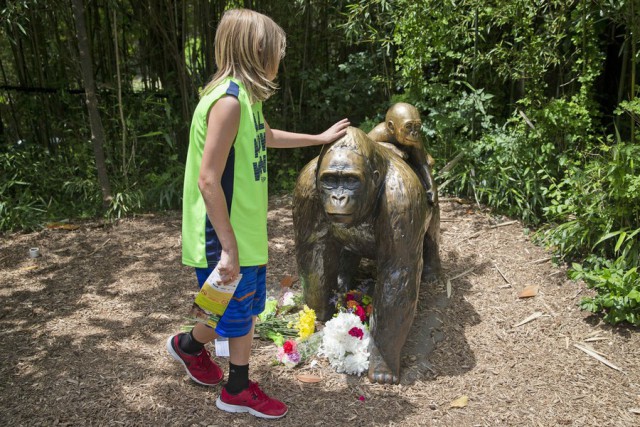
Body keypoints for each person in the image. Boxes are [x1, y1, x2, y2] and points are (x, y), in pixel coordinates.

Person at [165, 8, 349, 420]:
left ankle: (189, 347)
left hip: (242, 230)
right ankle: (237, 389)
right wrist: (228, 248)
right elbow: (208, 180)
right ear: (259, 51)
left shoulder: (243, 99)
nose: (280, 59)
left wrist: (317, 138)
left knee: (229, 305)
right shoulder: (228, 102)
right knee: (241, 314)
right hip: (225, 234)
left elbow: (263, 136)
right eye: (278, 51)